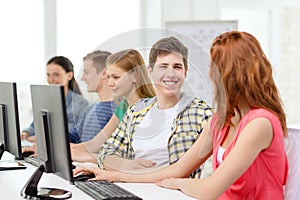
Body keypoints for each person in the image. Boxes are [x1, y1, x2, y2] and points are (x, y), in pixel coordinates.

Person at [74, 31, 288, 199]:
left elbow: (209, 189)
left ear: (230, 73)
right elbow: (178, 168)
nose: (209, 73)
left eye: (214, 66)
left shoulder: (260, 123)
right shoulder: (220, 120)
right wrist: (113, 176)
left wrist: (177, 182)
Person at [94, 36, 211, 176]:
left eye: (177, 67)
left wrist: (123, 175)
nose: (171, 73)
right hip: (130, 189)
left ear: (185, 72)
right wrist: (127, 165)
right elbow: (105, 152)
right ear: (150, 71)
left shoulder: (201, 113)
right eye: (163, 66)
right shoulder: (136, 111)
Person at [71, 49, 156, 163]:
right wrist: (63, 151)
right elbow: (95, 144)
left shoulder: (150, 108)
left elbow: (128, 157)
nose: (110, 83)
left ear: (134, 76)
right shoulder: (124, 106)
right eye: (109, 77)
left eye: (115, 77)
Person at [21, 56, 89, 141]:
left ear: (70, 75)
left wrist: (43, 138)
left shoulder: (81, 104)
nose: (51, 79)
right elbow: (34, 126)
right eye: (48, 75)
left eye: (56, 75)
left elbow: (75, 135)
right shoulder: (46, 101)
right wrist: (26, 133)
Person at [68, 50, 117, 143]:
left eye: (86, 72)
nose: (82, 78)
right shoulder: (90, 109)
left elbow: (100, 151)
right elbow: (73, 136)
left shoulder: (117, 110)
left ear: (104, 73)